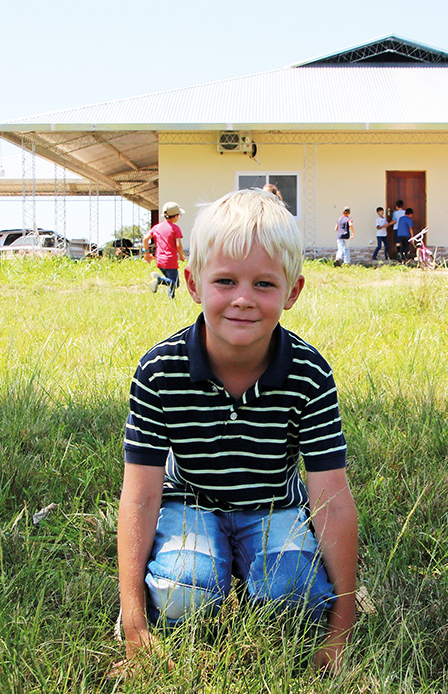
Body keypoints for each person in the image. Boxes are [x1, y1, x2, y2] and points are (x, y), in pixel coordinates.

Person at [117, 189, 358, 675]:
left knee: (295, 601)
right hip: (190, 502)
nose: (243, 299)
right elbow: (140, 495)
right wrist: (133, 622)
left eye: (265, 284)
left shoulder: (309, 374)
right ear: (191, 282)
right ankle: (212, 568)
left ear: (293, 291)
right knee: (184, 595)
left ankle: (253, 569)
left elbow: (330, 493)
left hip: (274, 504)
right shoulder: (159, 370)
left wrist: (342, 624)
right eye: (225, 280)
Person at [148, 202, 186, 298]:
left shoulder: (156, 227)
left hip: (160, 260)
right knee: (175, 283)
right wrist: (181, 255)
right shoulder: (175, 228)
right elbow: (178, 245)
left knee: (170, 280)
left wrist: (146, 253)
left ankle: (171, 299)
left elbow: (145, 239)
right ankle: (158, 279)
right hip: (170, 260)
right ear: (175, 216)